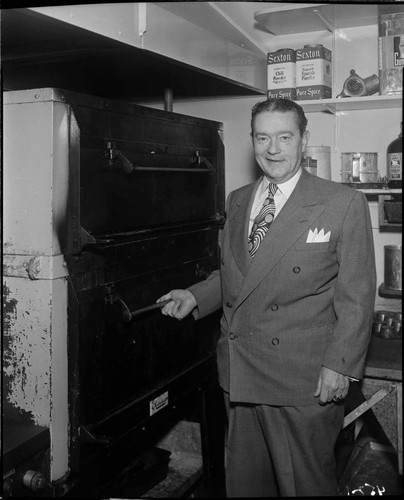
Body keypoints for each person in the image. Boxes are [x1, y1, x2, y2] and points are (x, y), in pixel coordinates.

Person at [157, 98, 376, 497]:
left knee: (304, 486)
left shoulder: (342, 203)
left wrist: (340, 366)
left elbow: (357, 296)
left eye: (284, 137)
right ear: (253, 141)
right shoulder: (239, 200)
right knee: (245, 485)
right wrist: (195, 295)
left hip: (302, 380)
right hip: (240, 371)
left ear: (304, 140)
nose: (272, 149)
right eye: (262, 138)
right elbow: (240, 273)